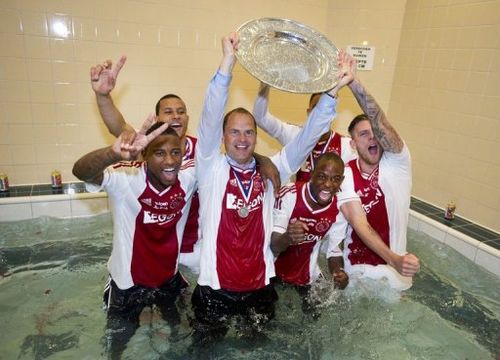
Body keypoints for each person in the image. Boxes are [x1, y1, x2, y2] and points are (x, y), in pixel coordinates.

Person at [191, 32, 354, 345]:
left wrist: (334, 90)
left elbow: (308, 137)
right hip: (215, 288)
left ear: (255, 136)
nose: (242, 139)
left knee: (260, 349)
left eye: (249, 132)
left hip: (259, 288)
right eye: (234, 132)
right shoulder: (210, 168)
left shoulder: (272, 171)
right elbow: (209, 116)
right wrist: (227, 62)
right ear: (223, 138)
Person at [72, 116, 196, 359]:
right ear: (144, 156)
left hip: (167, 283)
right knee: (117, 346)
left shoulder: (189, 179)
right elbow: (81, 172)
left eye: (175, 152)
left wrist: (261, 159)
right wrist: (113, 154)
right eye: (159, 153)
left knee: (181, 336)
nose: (170, 161)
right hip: (126, 287)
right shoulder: (125, 180)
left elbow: (232, 159)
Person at [89, 57, 201, 272]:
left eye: (181, 111)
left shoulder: (202, 152)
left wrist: (261, 160)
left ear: (187, 117)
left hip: (192, 247)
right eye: (168, 112)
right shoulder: (145, 147)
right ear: (157, 118)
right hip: (154, 248)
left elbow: (234, 159)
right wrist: (103, 96)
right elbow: (119, 126)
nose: (176, 116)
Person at [326, 51, 419, 290]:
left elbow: (381, 122)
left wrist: (354, 83)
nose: (373, 137)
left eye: (374, 132)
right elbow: (359, 223)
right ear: (353, 144)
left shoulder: (398, 165)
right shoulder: (344, 175)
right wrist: (393, 258)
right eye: (363, 134)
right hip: (357, 273)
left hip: (396, 276)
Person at [271, 152, 349, 315]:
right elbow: (273, 245)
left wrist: (338, 272)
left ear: (341, 181)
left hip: (307, 273)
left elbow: (334, 252)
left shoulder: (338, 211)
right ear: (311, 174)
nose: (328, 184)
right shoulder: (290, 195)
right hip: (272, 269)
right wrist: (288, 237)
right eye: (322, 176)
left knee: (315, 315)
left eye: (335, 179)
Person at [253, 83, 358, 182]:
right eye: (316, 108)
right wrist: (265, 84)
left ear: (332, 113)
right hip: (298, 200)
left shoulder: (346, 145)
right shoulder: (294, 135)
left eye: (326, 109)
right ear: (308, 112)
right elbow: (260, 118)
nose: (321, 114)